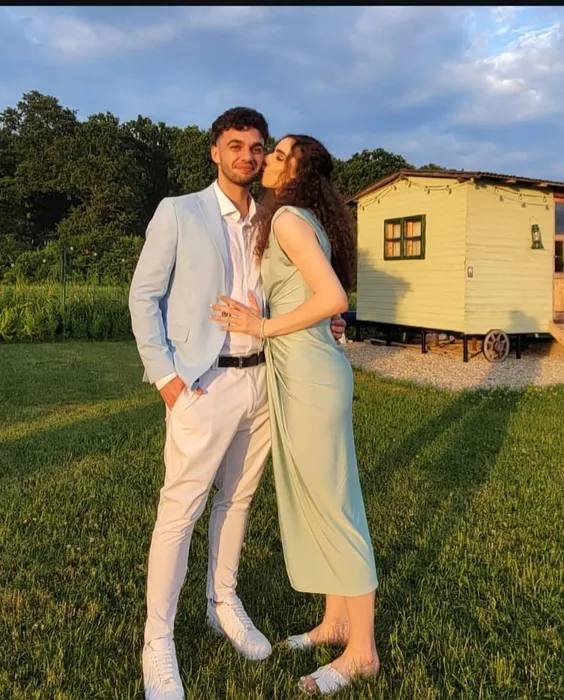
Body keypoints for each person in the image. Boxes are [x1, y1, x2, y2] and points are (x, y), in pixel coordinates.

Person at [129, 109, 346, 700]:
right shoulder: (179, 212)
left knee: (239, 500)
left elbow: (294, 291)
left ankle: (222, 602)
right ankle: (157, 642)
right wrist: (167, 380)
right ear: (214, 152)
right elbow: (143, 297)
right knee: (180, 513)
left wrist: (328, 321)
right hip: (202, 384)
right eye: (235, 146)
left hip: (263, 381)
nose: (248, 156)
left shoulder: (274, 217)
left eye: (257, 147)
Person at [210, 134, 379, 694]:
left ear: (298, 176)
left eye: (281, 157)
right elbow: (314, 299)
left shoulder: (287, 220)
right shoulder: (297, 219)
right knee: (318, 502)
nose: (270, 161)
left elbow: (332, 298)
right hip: (304, 372)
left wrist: (259, 326)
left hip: (310, 379)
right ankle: (335, 622)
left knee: (335, 507)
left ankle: (363, 652)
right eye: (274, 151)